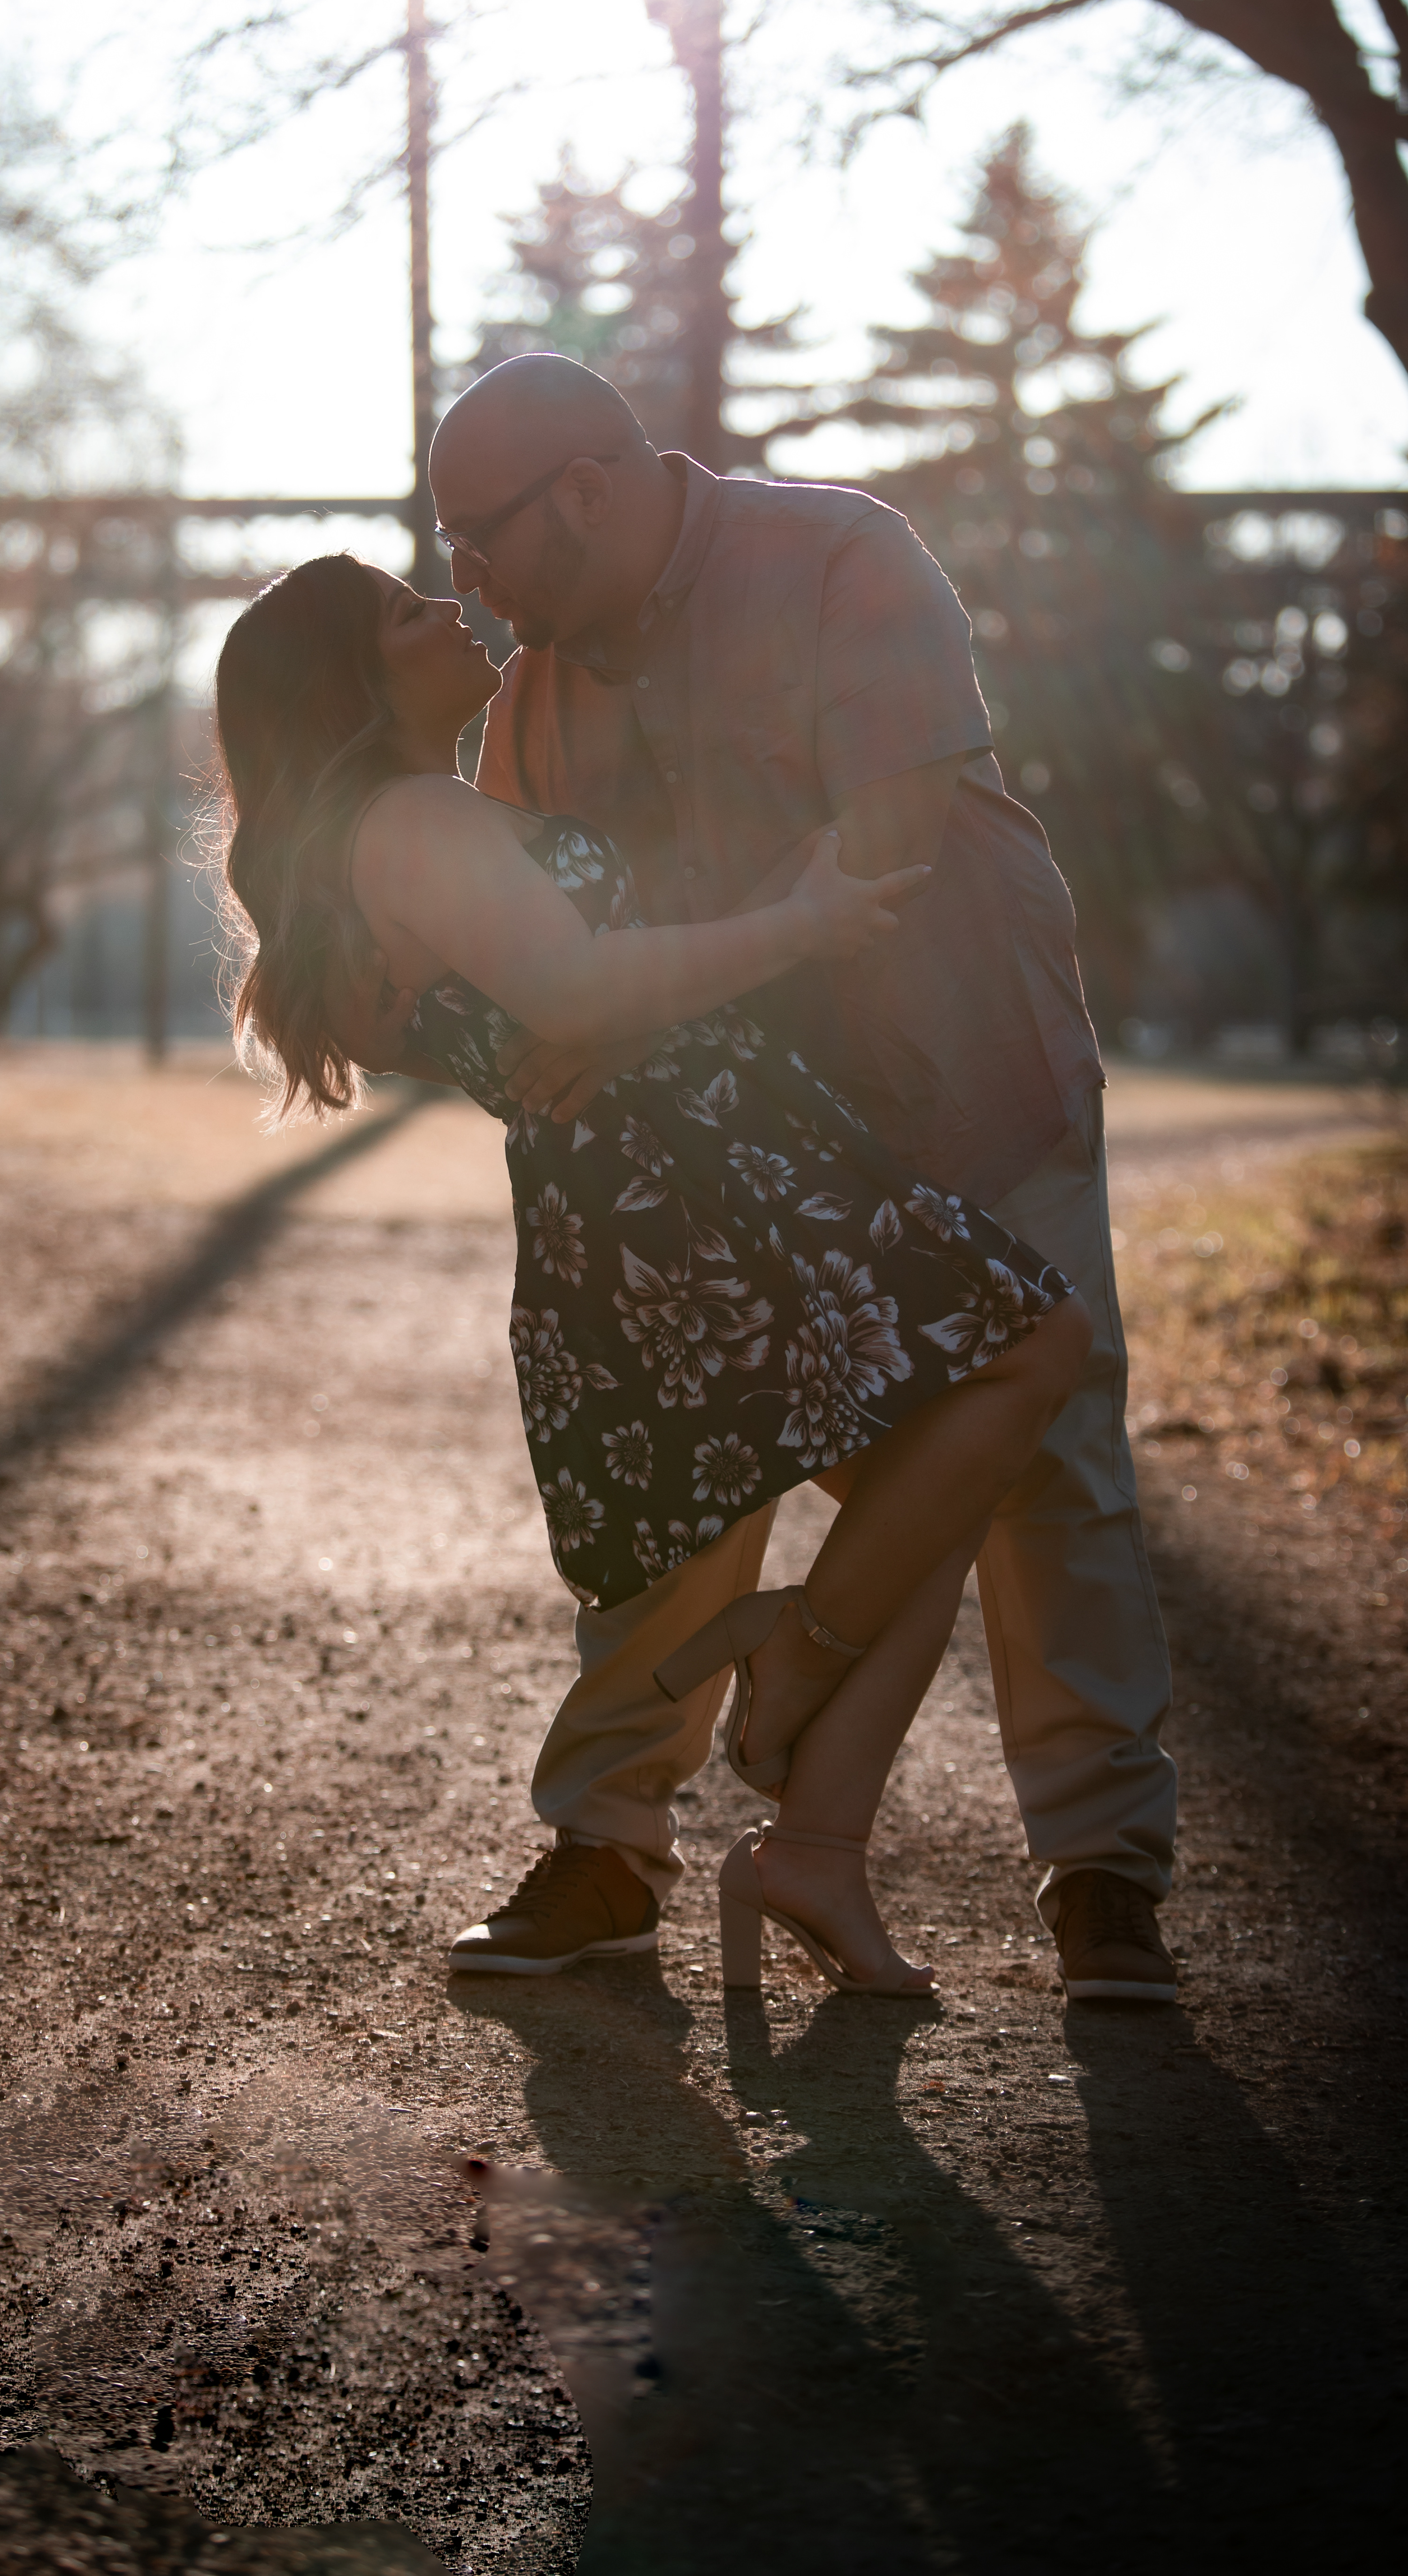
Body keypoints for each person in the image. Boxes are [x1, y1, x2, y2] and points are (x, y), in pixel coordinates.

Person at [212, 549, 1091, 1995]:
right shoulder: (415, 818)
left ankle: (798, 1844)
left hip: (662, 1177)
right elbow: (562, 990)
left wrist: (589, 1003)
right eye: (401, 613)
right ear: (352, 684)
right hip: (695, 1175)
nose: (445, 609)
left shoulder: (403, 828)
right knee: (1021, 1363)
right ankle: (790, 1677)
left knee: (916, 1484)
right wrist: (801, 924)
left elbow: (511, 997)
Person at [423, 353, 1179, 2005]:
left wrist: (636, 995)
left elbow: (889, 835)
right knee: (695, 1434)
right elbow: (541, 953)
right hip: (734, 1135)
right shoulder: (532, 699)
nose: (465, 587)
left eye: (478, 541)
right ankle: (610, 1839)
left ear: (591, 494)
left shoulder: (846, 556)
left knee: (1048, 1456)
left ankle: (1105, 1871)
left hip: (967, 1069)